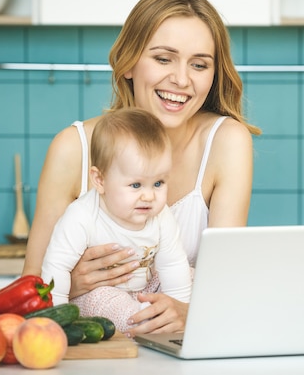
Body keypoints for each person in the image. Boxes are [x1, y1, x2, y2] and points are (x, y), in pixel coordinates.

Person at [22, 0, 261, 336]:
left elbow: (225, 280)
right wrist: (71, 286)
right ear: (129, 62)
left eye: (199, 64)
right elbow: (30, 287)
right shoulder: (73, 148)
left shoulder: (226, 141)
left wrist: (189, 311)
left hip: (184, 351)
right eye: (163, 59)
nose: (181, 79)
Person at [41, 108, 192, 332]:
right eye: (136, 185)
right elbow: (56, 267)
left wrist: (180, 309)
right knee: (116, 306)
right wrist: (57, 320)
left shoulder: (161, 215)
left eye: (159, 183)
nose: (149, 196)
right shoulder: (81, 215)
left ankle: (168, 323)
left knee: (191, 274)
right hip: (97, 293)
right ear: (100, 180)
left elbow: (172, 264)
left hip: (145, 287)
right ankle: (144, 324)